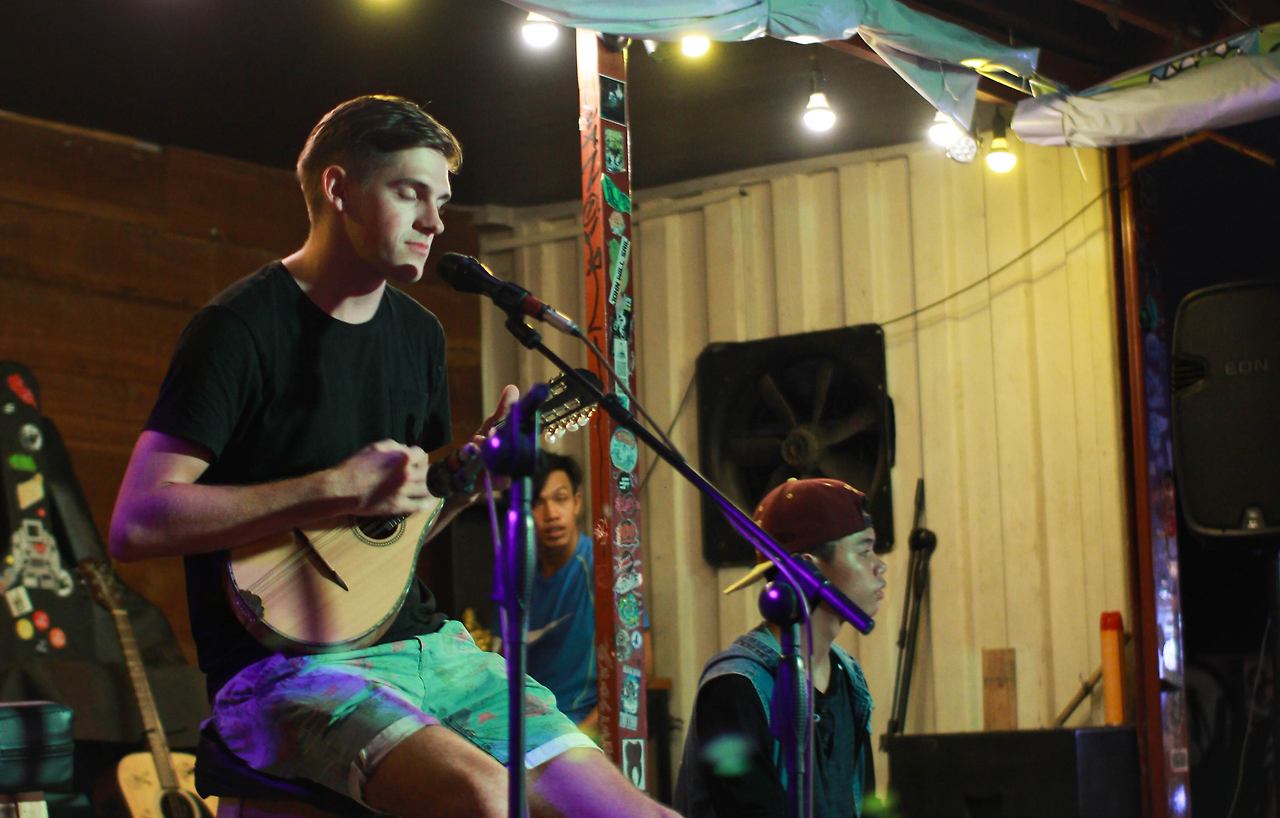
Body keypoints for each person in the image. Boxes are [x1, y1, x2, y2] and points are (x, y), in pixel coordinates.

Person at [109, 94, 674, 818]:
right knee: (480, 796)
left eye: (441, 201)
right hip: (284, 669)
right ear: (338, 188)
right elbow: (137, 522)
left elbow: (392, 533)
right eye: (410, 193)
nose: (435, 222)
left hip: (429, 648)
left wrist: (467, 481)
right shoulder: (237, 329)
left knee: (639, 814)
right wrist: (334, 487)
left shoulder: (419, 336)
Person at [673, 478, 887, 818]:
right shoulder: (735, 688)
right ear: (808, 568)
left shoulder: (849, 677)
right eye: (864, 551)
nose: (879, 565)